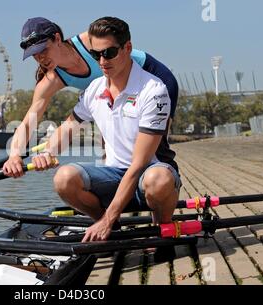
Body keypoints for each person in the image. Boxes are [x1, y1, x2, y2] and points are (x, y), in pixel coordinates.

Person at [28, 17, 181, 249]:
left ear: (127, 48)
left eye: (109, 53)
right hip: (113, 175)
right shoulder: (95, 89)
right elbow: (68, 128)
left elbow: (138, 164)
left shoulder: (154, 91)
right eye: (96, 54)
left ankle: (161, 228)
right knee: (63, 178)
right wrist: (48, 152)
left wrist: (110, 216)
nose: (102, 61)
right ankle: (103, 224)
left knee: (157, 180)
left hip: (149, 173)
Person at [3, 17, 178, 177]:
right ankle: (119, 192)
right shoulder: (50, 81)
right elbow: (29, 121)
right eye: (34, 54)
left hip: (154, 78)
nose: (40, 58)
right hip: (115, 94)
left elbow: (120, 39)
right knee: (110, 151)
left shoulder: (89, 40)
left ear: (57, 38)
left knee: (154, 147)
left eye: (44, 50)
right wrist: (14, 156)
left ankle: (166, 184)